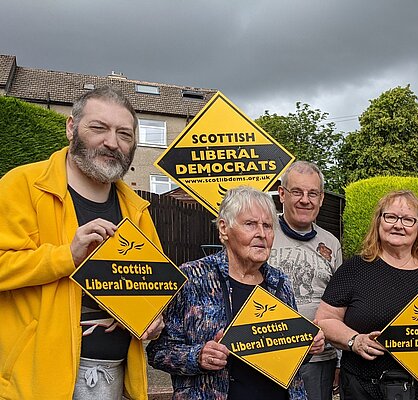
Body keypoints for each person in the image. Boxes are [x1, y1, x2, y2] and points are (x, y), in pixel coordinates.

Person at [0, 85, 164, 399]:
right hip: (35, 385)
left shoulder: (137, 212)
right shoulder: (22, 186)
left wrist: (153, 319)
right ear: (71, 128)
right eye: (99, 128)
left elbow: (151, 292)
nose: (112, 142)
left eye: (124, 134)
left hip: (115, 383)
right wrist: (67, 256)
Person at [146, 186, 325, 400]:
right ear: (224, 228)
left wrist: (307, 345)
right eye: (250, 224)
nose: (261, 233)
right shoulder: (193, 277)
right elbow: (159, 351)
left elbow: (286, 355)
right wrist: (199, 356)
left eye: (267, 226)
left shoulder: (280, 282)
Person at [316, 190, 418, 400]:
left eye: (408, 220)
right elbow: (325, 319)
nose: (398, 225)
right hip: (365, 389)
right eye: (391, 217)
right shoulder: (354, 269)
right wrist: (355, 340)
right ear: (379, 222)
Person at [269, 161, 343, 400]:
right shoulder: (264, 233)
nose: (305, 200)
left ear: (321, 198)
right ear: (282, 194)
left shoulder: (331, 243)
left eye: (313, 193)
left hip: (319, 359)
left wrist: (339, 360)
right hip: (268, 353)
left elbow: (341, 305)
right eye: (297, 192)